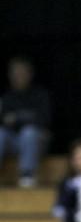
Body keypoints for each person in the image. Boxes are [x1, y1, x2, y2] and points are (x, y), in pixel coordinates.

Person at [0, 56, 51, 187]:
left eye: (21, 72)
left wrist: (16, 118)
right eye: (15, 73)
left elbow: (43, 119)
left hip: (35, 141)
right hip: (13, 141)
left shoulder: (40, 95)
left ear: (30, 74)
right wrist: (25, 118)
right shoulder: (7, 98)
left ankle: (27, 175)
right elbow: (4, 121)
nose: (18, 76)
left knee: (28, 132)